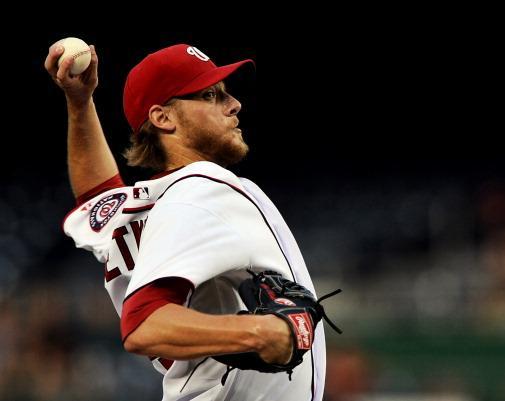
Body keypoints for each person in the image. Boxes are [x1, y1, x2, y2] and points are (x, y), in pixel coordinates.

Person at [45, 41, 328, 401]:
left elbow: (98, 198)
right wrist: (258, 332)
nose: (234, 104)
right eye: (211, 95)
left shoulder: (152, 203)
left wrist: (80, 103)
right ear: (163, 118)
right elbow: (144, 324)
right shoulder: (201, 189)